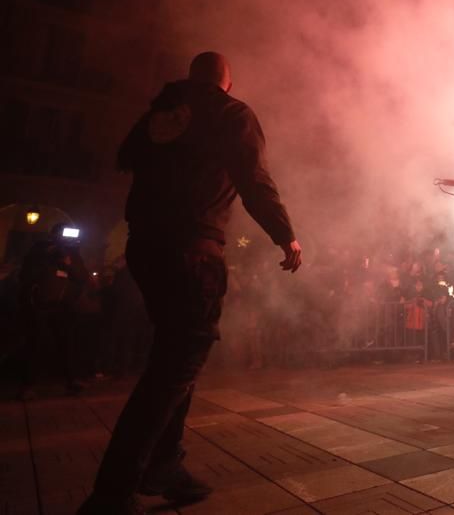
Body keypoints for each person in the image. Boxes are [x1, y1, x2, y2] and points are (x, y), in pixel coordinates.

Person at [79, 52, 302, 515]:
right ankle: (113, 492)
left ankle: (163, 464)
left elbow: (128, 158)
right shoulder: (231, 113)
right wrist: (286, 235)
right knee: (172, 368)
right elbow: (253, 177)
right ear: (226, 79)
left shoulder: (163, 114)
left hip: (146, 246)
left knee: (175, 355)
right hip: (192, 250)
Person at [16, 223, 89, 398]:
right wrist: (48, 256)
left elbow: (82, 277)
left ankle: (71, 381)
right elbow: (26, 273)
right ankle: (28, 385)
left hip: (62, 306)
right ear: (54, 234)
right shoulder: (41, 249)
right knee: (34, 344)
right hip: (38, 304)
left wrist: (68, 265)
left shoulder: (73, 254)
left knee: (65, 344)